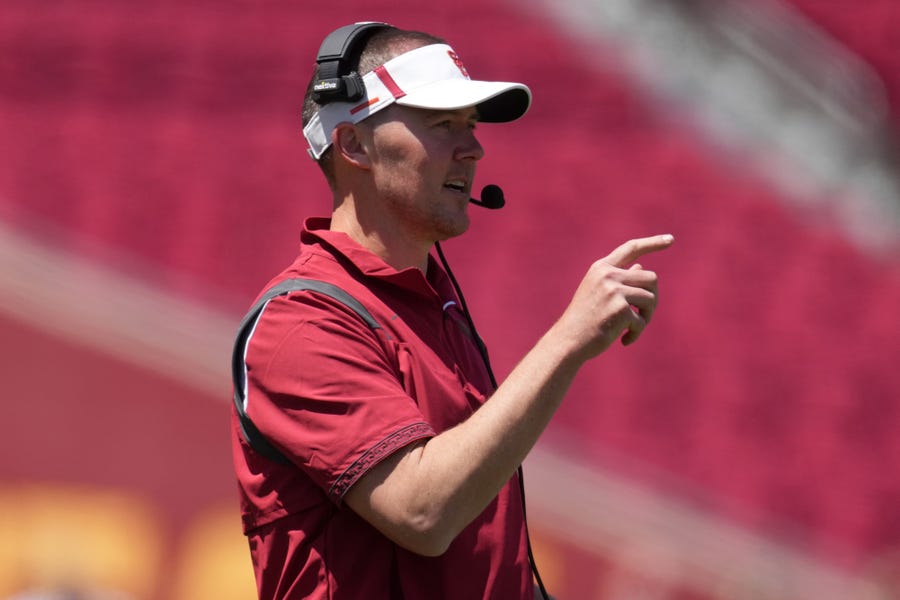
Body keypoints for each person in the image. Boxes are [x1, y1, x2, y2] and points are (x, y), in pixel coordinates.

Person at [231, 22, 674, 600]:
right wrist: (569, 339)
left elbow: (476, 552)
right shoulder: (301, 324)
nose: (474, 149)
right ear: (354, 145)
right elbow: (423, 512)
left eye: (471, 125)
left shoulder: (435, 304)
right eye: (443, 124)